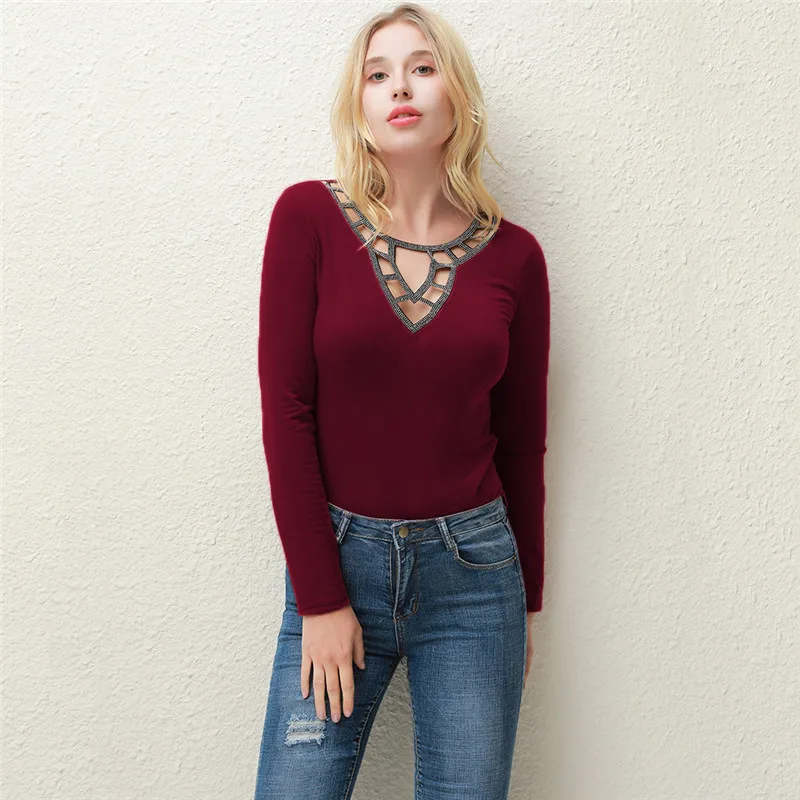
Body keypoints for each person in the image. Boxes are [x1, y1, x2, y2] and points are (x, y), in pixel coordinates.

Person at [253, 4, 550, 798]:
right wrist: (321, 601)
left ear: (458, 94)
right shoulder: (307, 218)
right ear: (359, 103)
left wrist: (526, 603)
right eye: (377, 74)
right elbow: (287, 416)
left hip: (475, 579)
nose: (400, 87)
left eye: (422, 67)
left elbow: (521, 441)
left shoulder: (516, 257)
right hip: (338, 563)